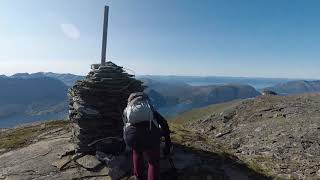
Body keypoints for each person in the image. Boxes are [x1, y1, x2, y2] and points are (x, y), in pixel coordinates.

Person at [123, 92, 172, 180]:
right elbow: (164, 123)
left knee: (137, 152)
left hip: (132, 137)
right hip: (150, 137)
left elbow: (125, 125)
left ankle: (138, 177)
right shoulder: (150, 110)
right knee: (153, 162)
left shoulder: (128, 110)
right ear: (146, 101)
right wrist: (168, 143)